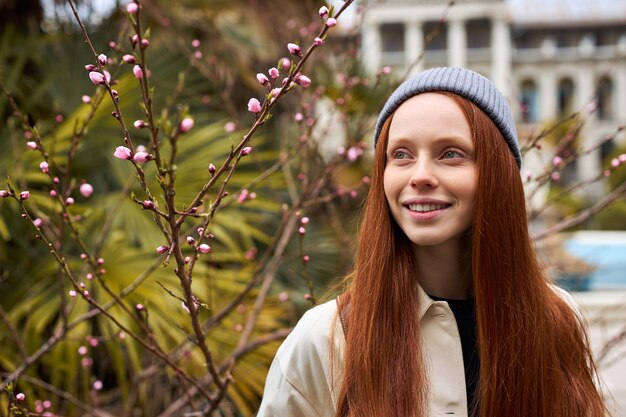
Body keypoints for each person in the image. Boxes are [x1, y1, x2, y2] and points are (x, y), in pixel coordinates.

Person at [256, 67, 606, 417]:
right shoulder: (326, 340)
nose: (420, 176)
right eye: (402, 155)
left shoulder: (556, 319)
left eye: (450, 153)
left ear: (498, 174)